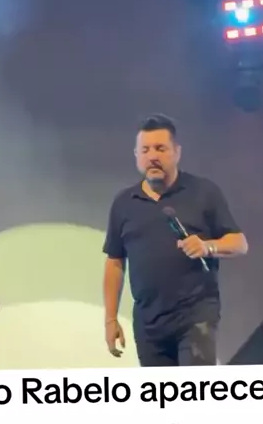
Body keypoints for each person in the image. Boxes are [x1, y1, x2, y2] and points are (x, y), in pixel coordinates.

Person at [103, 114, 248, 367]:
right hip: (149, 324)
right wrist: (110, 319)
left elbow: (239, 243)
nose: (152, 156)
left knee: (194, 388)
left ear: (176, 152)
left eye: (160, 149)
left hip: (196, 315)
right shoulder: (124, 203)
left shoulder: (203, 192)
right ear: (136, 155)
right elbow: (115, 262)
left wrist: (208, 247)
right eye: (145, 150)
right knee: (160, 392)